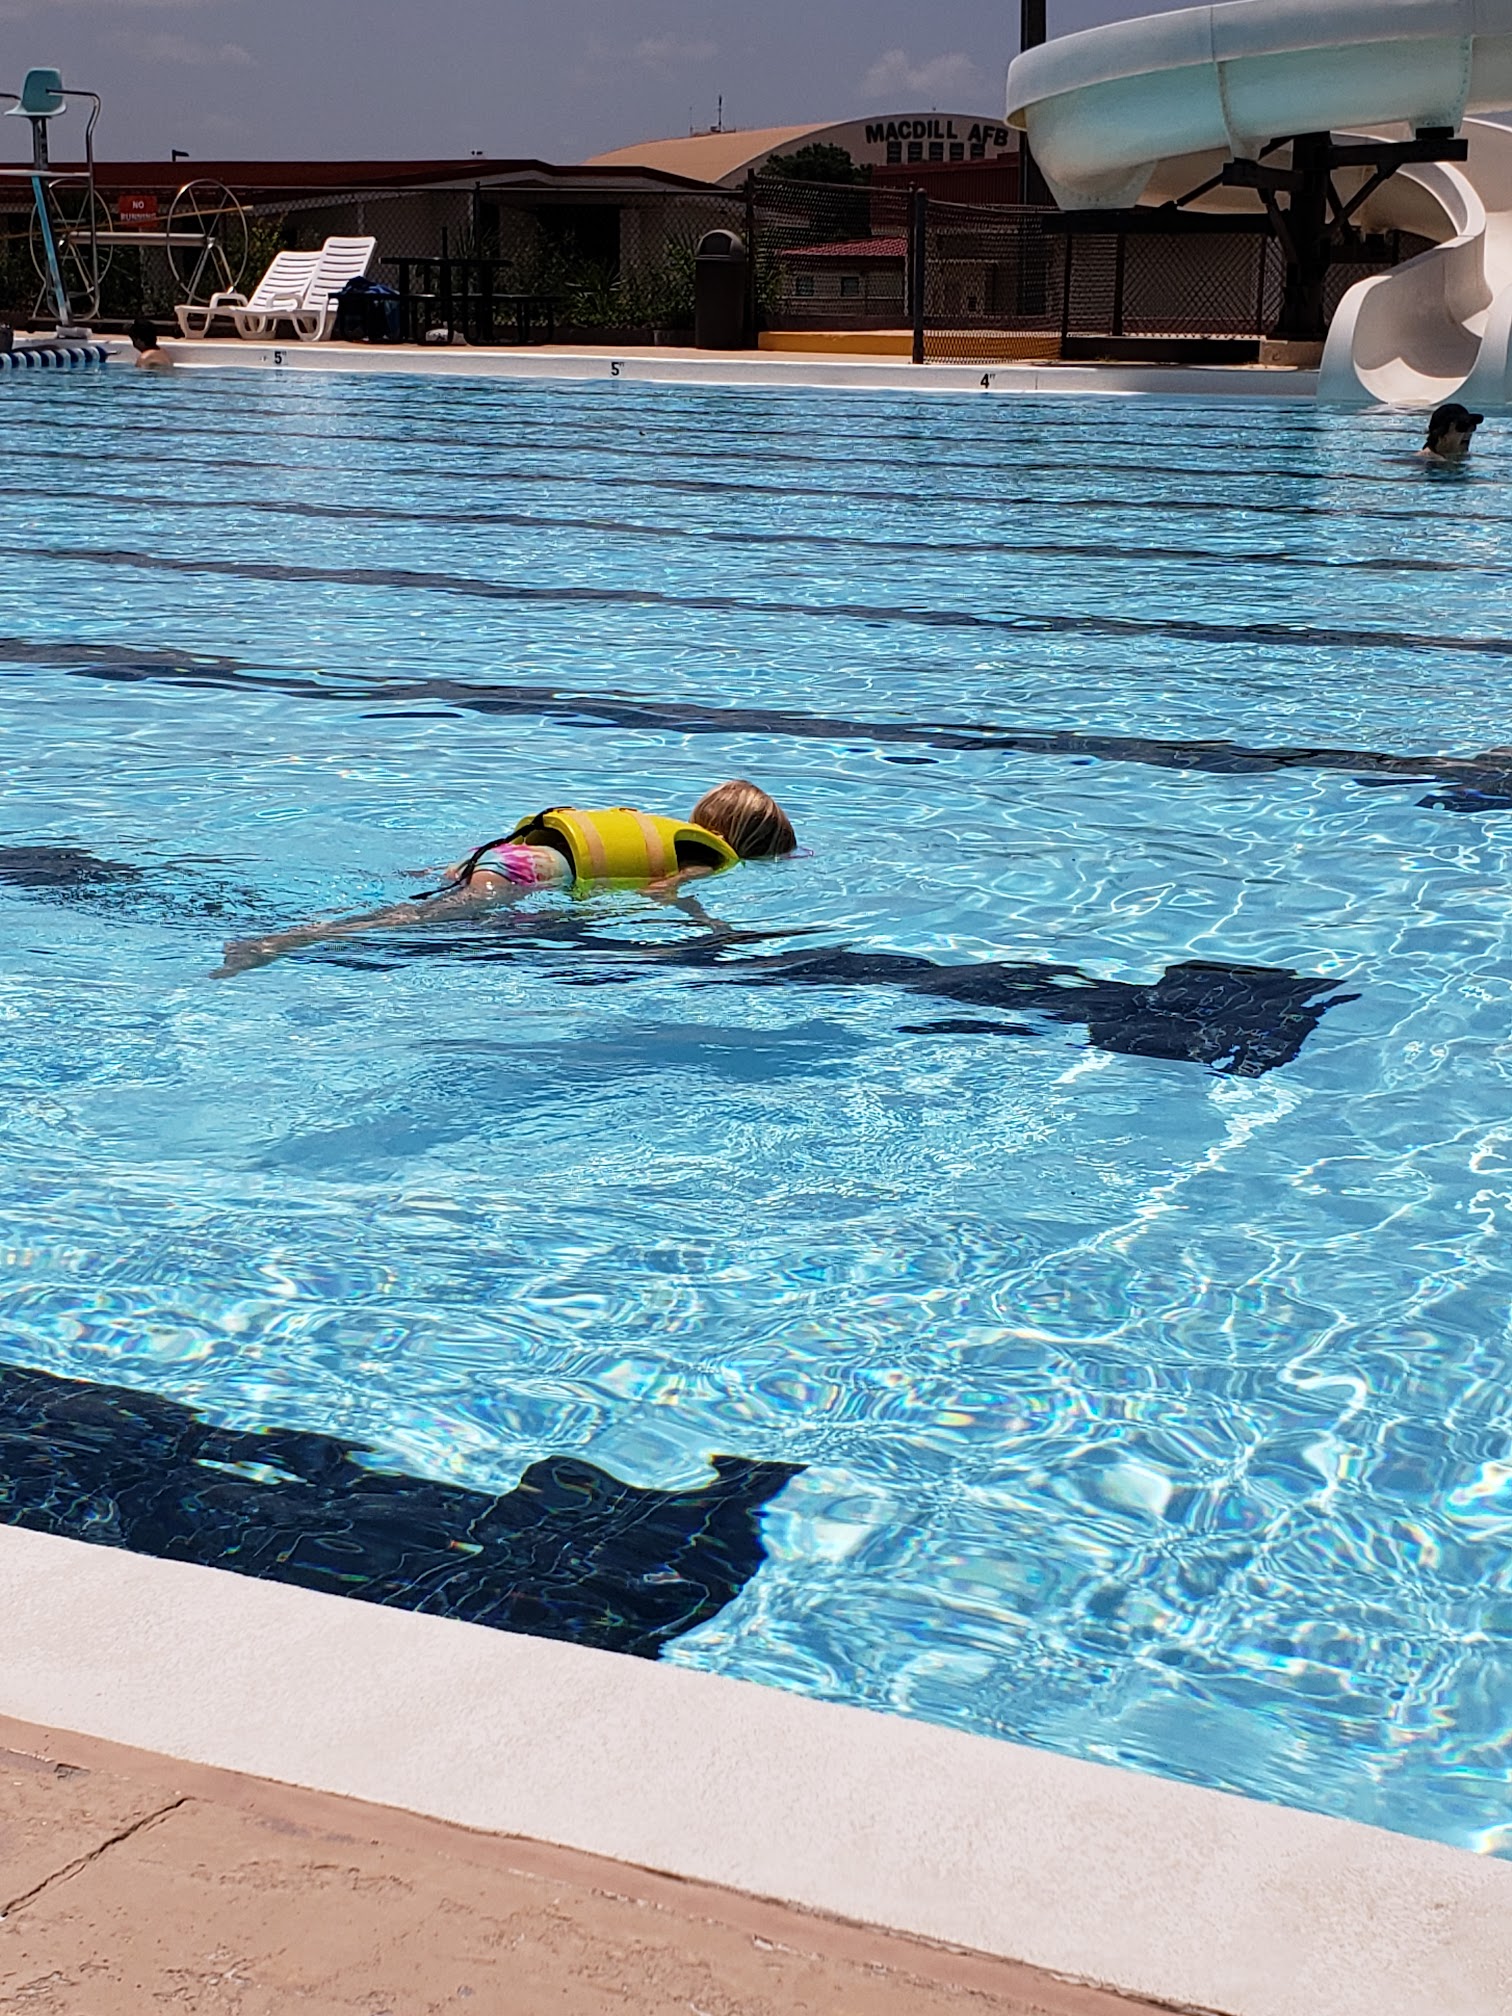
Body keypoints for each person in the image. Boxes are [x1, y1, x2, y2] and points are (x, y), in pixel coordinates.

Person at [214, 779, 797, 976]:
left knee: (420, 906)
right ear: (748, 843)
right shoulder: (706, 857)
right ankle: (281, 943)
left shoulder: (665, 829)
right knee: (407, 921)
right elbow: (659, 890)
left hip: (506, 854)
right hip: (532, 872)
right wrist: (712, 926)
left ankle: (290, 935)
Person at [1417, 401, 1482, 461]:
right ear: (1441, 436)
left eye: (1471, 427)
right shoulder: (1423, 461)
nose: (1468, 432)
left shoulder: (1461, 457)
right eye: (1463, 427)